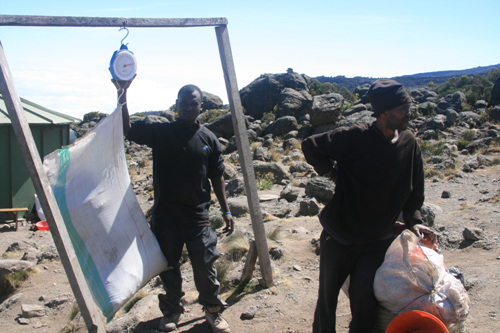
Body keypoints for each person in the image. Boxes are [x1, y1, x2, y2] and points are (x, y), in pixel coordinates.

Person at [301, 79, 433, 332]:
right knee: (328, 298)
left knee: (365, 296)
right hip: (341, 232)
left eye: (408, 108)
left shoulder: (409, 143)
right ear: (383, 112)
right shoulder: (355, 137)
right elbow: (310, 145)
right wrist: (332, 173)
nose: (408, 113)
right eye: (402, 109)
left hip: (378, 238)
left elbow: (415, 192)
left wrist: (415, 222)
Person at [113, 79, 234, 333]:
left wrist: (226, 210)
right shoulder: (162, 133)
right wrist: (122, 91)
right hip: (166, 218)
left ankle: (212, 311)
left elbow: (217, 176)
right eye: (183, 103)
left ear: (201, 106)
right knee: (169, 268)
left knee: (205, 267)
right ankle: (172, 311)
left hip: (198, 218)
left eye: (193, 103)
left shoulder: (209, 139)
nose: (188, 107)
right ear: (176, 105)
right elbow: (126, 129)